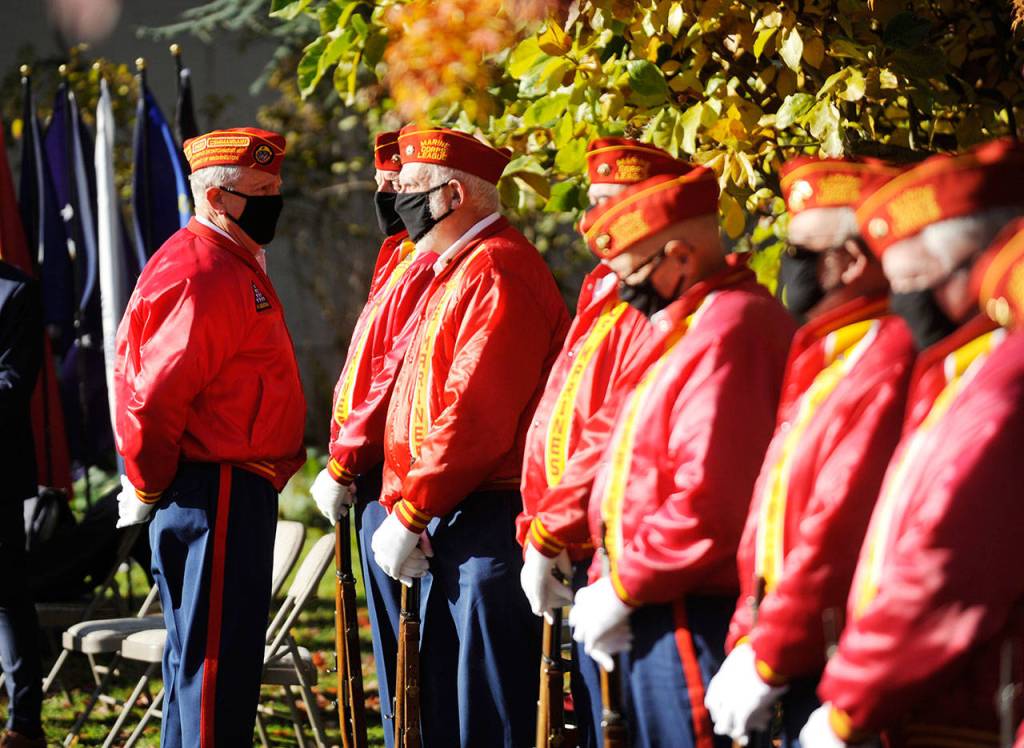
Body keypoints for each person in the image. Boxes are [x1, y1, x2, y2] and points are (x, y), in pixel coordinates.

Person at [798, 138, 1024, 747]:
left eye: (916, 283)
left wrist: (850, 701)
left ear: (975, 266)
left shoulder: (1008, 374)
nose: (905, 306)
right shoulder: (973, 366)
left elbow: (952, 561)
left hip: (967, 708)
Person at [568, 170, 796, 748]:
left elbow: (707, 499)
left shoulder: (730, 327)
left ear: (680, 257)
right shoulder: (691, 322)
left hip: (687, 606)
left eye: (634, 274)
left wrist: (624, 584)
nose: (625, 291)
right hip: (658, 596)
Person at [704, 157, 915, 746]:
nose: (787, 267)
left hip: (835, 658)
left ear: (848, 261)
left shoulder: (886, 357)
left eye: (800, 251)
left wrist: (769, 651)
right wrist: (753, 630)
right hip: (799, 643)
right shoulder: (835, 352)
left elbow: (837, 524)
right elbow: (778, 514)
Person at [371, 124, 570, 747]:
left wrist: (410, 511)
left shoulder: (497, 270)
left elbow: (474, 415)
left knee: (483, 712)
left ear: (452, 197)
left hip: (489, 513)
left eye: (410, 189)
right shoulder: (460, 266)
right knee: (445, 708)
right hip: (453, 510)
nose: (397, 198)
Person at [112, 127, 306, 746]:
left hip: (227, 488)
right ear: (219, 198)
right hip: (214, 490)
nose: (275, 199)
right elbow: (154, 394)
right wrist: (145, 482)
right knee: (213, 670)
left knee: (207, 665)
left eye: (276, 187)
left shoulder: (225, 258)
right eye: (261, 190)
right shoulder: (203, 268)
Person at [516, 136, 685, 747]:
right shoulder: (602, 288)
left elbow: (611, 427)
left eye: (612, 202)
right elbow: (563, 414)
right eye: (593, 202)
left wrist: (550, 527)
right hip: (570, 538)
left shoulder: (650, 300)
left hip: (613, 545)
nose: (596, 220)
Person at [309, 130, 437, 746]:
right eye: (382, 180)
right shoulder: (397, 254)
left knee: (413, 670)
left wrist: (343, 460)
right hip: (373, 478)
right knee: (391, 668)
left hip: (393, 478)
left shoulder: (425, 259)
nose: (385, 191)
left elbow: (394, 372)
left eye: (398, 181)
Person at [0, 259, 44, 748]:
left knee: (7, 599)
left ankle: (25, 725)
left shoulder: (15, 292)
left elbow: (13, 383)